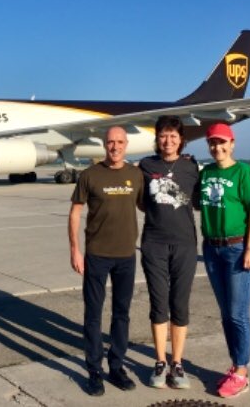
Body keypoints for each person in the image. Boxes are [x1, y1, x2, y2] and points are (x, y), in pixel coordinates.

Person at [68, 126, 144, 396]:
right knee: (93, 315)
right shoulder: (90, 175)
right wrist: (75, 250)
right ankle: (94, 371)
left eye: (120, 142)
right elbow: (75, 213)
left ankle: (116, 366)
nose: (115, 147)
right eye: (110, 142)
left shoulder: (136, 175)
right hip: (97, 256)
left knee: (121, 314)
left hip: (126, 256)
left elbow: (149, 205)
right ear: (104, 145)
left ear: (126, 144)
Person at [200, 122, 250, 398]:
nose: (217, 147)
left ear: (232, 143)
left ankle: (242, 371)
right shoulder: (206, 173)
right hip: (212, 250)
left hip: (237, 249)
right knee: (226, 314)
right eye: (213, 143)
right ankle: (235, 363)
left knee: (238, 314)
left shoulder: (243, 171)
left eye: (222, 142)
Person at [139, 116, 199, 389]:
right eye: (163, 135)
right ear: (157, 138)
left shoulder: (191, 166)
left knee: (180, 303)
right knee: (158, 302)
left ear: (181, 139)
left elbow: (198, 201)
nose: (168, 140)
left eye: (173, 135)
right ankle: (160, 361)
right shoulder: (146, 165)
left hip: (185, 244)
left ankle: (178, 362)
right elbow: (142, 202)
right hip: (154, 243)